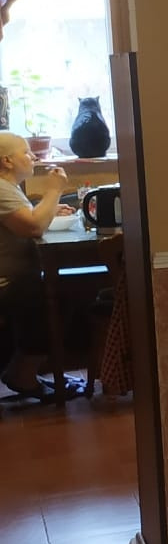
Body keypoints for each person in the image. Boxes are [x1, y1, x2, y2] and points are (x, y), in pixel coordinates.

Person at [0, 131, 81, 400]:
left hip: (15, 278)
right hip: (6, 284)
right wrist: (54, 190)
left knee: (52, 288)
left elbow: (28, 218)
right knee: (56, 294)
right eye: (26, 152)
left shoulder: (8, 188)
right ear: (7, 161)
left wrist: (49, 209)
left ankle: (24, 370)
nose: (33, 156)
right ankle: (22, 374)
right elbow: (34, 226)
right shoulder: (1, 188)